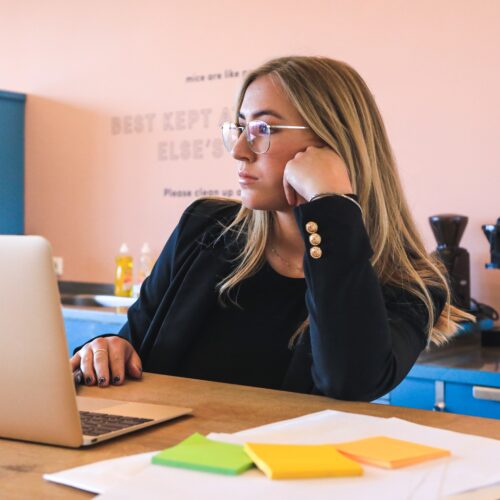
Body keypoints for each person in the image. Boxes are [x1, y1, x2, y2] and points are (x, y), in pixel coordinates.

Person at [71, 56, 472, 401]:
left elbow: (351, 382)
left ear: (331, 144)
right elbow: (133, 343)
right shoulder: (204, 229)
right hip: (160, 466)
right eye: (240, 127)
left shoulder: (408, 282)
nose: (240, 149)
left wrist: (331, 205)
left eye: (264, 129)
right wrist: (110, 348)